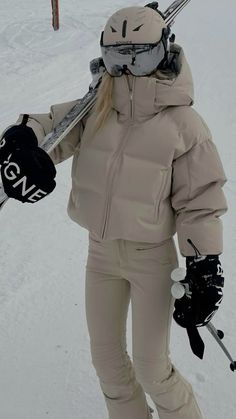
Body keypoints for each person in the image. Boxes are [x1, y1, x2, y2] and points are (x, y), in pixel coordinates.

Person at [0, 4, 227, 419]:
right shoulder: (95, 109)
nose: (125, 70)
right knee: (107, 364)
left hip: (151, 260)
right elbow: (50, 124)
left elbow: (201, 202)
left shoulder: (184, 124)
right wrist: (20, 140)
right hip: (100, 255)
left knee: (152, 369)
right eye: (116, 57)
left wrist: (204, 266)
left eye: (139, 57)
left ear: (163, 52)